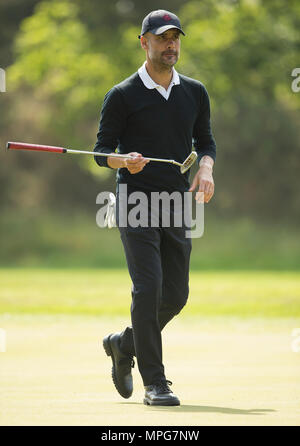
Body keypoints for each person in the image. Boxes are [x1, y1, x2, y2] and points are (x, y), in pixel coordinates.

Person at [94, 9, 216, 406]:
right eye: (162, 38)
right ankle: (156, 383)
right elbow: (100, 153)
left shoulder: (194, 92)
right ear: (143, 41)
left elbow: (206, 142)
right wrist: (122, 160)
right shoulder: (123, 94)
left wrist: (207, 169)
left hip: (176, 203)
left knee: (176, 295)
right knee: (148, 289)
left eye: (175, 38)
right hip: (134, 201)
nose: (171, 45)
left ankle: (123, 343)